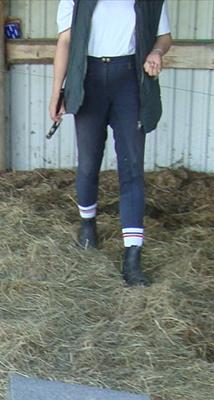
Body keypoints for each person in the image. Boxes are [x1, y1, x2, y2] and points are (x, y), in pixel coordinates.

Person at [51, 0, 172, 286]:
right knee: (89, 162)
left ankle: (132, 257)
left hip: (130, 80)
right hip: (88, 79)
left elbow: (164, 37)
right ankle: (87, 224)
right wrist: (57, 91)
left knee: (131, 167)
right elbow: (65, 41)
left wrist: (156, 51)